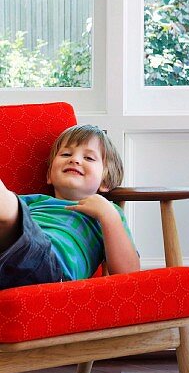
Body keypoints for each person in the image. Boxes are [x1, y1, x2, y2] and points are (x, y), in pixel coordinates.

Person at [0, 124, 140, 290]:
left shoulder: (107, 213)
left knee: (12, 212)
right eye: (66, 154)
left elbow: (129, 272)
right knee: (14, 213)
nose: (74, 160)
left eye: (89, 158)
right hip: (6, 261)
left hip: (52, 270)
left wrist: (108, 216)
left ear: (106, 180)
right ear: (49, 175)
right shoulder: (35, 201)